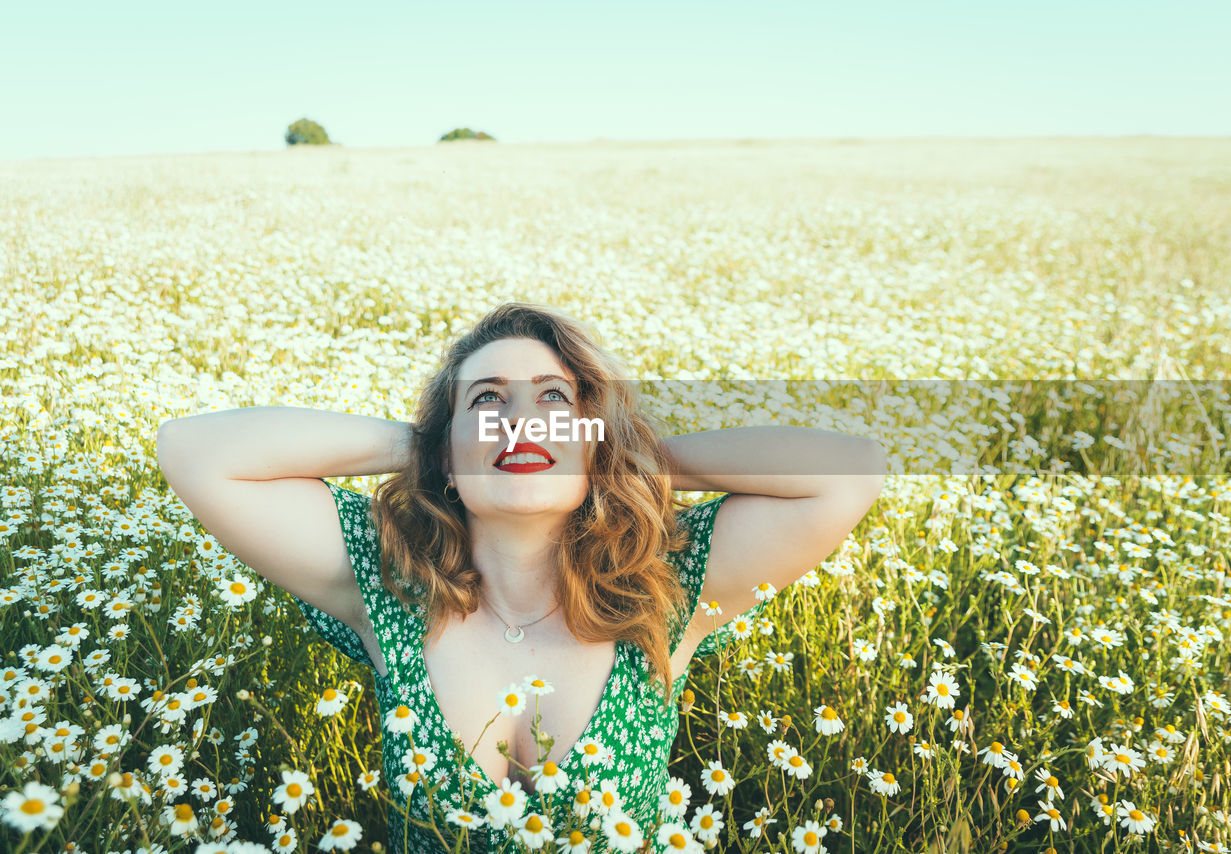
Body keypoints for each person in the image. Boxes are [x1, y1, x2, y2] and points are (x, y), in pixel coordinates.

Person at [155, 301, 886, 852]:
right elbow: (193, 451)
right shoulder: (389, 585)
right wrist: (428, 442)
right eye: (487, 401)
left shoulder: (663, 587)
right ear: (445, 456)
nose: (521, 424)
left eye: (554, 401)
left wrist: (623, 449)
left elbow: (851, 471)